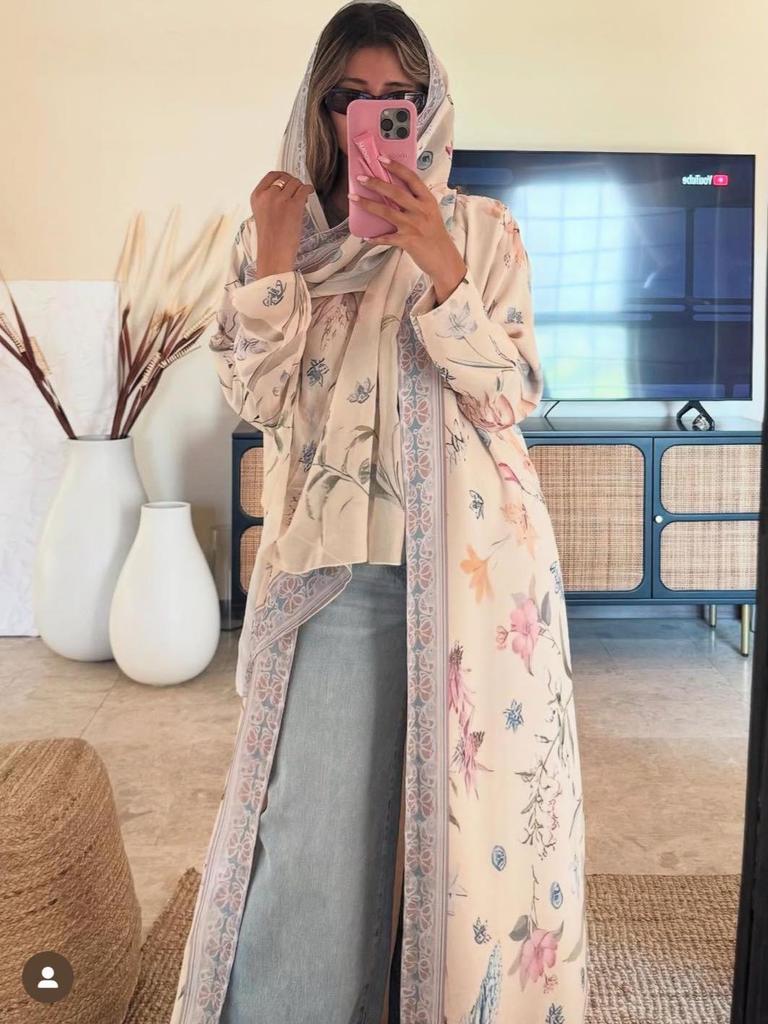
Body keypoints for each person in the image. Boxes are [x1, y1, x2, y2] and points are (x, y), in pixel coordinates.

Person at [170, 2, 589, 1023]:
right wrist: (277, 267)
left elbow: (512, 396)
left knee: (478, 848)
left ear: (428, 110)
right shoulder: (280, 236)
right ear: (319, 111)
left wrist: (441, 265)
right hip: (334, 575)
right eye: (348, 99)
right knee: (313, 840)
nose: (373, 120)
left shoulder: (481, 231)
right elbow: (258, 401)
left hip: (478, 584)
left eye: (396, 101)